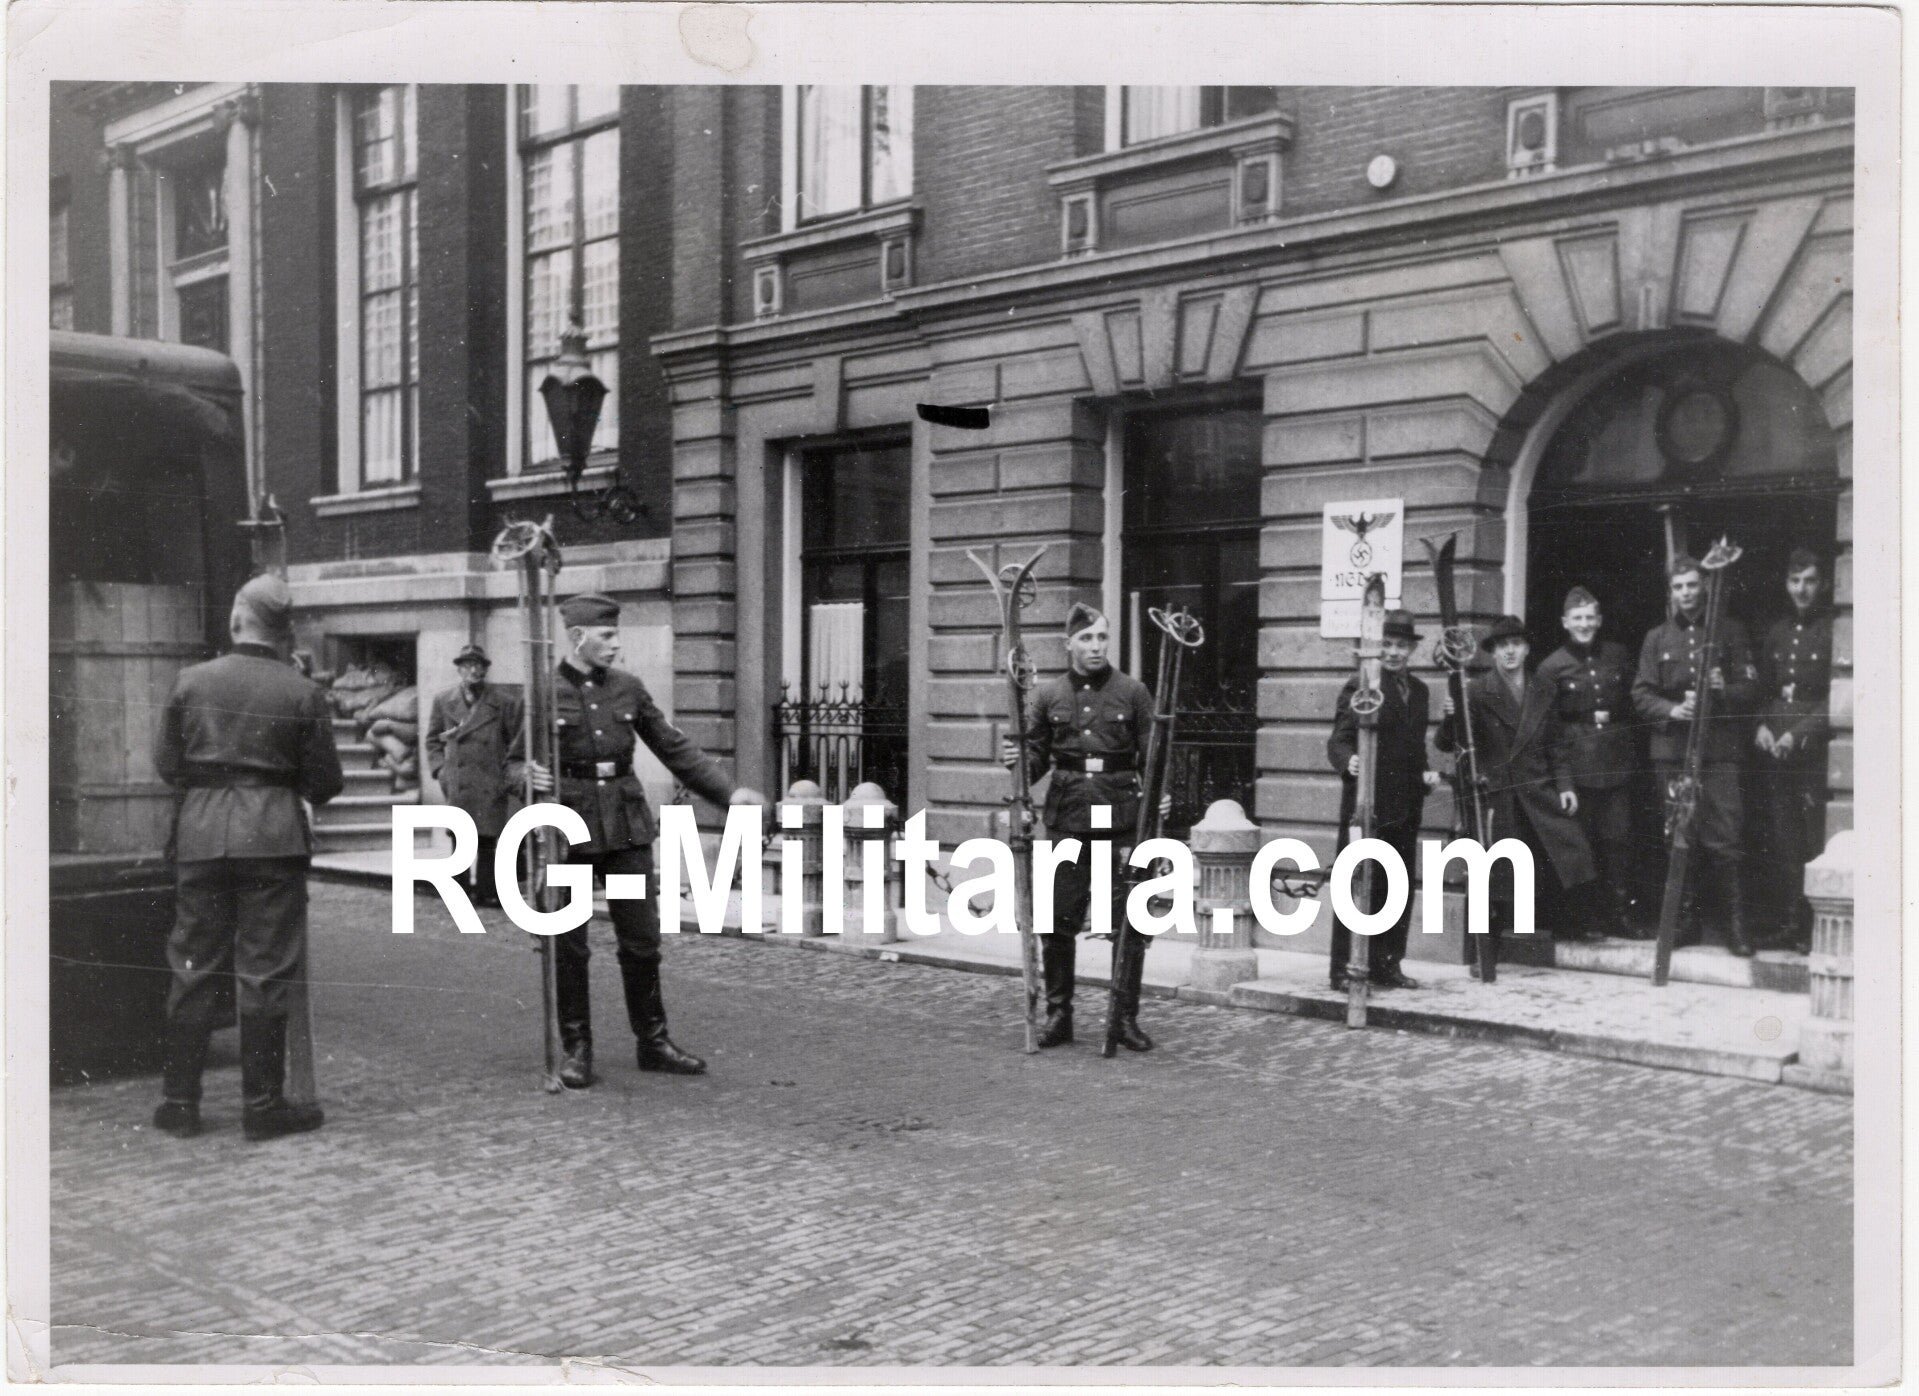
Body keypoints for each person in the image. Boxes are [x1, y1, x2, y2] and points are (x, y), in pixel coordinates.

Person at [520, 592, 768, 1089]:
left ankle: (652, 1042)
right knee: (570, 944)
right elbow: (511, 761)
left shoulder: (629, 689)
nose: (615, 645)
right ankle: (577, 1048)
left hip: (624, 831)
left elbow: (673, 747)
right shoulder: (544, 693)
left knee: (640, 940)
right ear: (577, 638)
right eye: (606, 636)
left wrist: (728, 793)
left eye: (616, 635)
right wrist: (523, 773)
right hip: (566, 831)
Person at [150, 574, 345, 1142]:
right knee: (265, 972)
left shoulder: (190, 681)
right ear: (282, 632)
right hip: (273, 838)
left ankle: (179, 1103)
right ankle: (262, 1107)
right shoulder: (301, 692)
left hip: (202, 834)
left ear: (237, 618)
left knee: (192, 965)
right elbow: (325, 782)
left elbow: (168, 765)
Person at [1000, 602, 1166, 1050]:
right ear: (1069, 643)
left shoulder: (1133, 693)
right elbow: (1034, 760)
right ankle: (1059, 1016)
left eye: (1102, 637)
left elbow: (1154, 756)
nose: (1096, 646)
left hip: (1120, 818)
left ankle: (1123, 1018)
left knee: (1128, 924)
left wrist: (1160, 795)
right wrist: (1018, 761)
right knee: (1056, 921)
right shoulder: (1048, 696)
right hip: (1069, 818)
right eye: (1087, 638)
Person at [1437, 616, 1602, 965]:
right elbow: (1448, 743)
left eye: (1516, 644)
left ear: (1526, 649)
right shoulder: (1476, 691)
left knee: (1565, 851)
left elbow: (1556, 743)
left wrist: (1565, 785)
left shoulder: (1543, 688)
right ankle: (1483, 953)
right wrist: (1451, 716)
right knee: (1494, 872)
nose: (1509, 651)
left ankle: (1556, 934)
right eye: (1501, 646)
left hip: (1537, 788)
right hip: (1497, 794)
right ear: (1494, 653)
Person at [1633, 555, 1759, 955]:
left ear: (1704, 586)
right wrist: (1672, 710)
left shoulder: (1730, 631)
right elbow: (1641, 694)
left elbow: (1752, 691)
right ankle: (1683, 921)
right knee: (1678, 835)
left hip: (1718, 750)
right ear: (1670, 592)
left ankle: (1734, 926)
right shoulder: (1656, 638)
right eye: (1678, 586)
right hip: (1673, 751)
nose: (1686, 593)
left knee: (1725, 836)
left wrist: (1723, 688)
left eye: (1692, 584)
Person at [1327, 609, 1441, 991]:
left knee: (1397, 886)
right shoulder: (1362, 683)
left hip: (1405, 805)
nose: (1393, 652)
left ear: (1411, 650)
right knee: (1357, 883)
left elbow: (1415, 748)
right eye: (1387, 645)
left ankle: (1387, 964)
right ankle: (1343, 968)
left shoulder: (1421, 691)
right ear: (1376, 648)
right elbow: (1338, 740)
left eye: (1401, 646)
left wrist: (1425, 773)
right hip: (1367, 803)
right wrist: (1349, 761)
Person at [1536, 587, 1642, 939]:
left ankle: (1619, 915)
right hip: (1578, 768)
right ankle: (1581, 919)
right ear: (1565, 623)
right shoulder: (1552, 667)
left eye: (1589, 618)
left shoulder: (1617, 655)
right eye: (1576, 619)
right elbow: (1551, 731)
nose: (1584, 625)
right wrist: (1563, 781)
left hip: (1616, 764)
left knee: (1618, 842)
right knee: (1580, 847)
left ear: (1599, 620)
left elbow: (1632, 705)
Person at [1754, 549, 1832, 953]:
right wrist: (1763, 724)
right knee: (1784, 841)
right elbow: (1764, 690)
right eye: (1795, 581)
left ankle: (1814, 930)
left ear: (1823, 584)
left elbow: (1835, 698)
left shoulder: (1834, 630)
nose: (1801, 589)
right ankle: (1791, 923)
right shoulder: (1777, 632)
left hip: (1811, 755)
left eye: (1809, 581)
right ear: (1786, 584)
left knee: (1811, 840)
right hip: (1776, 755)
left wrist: (1798, 733)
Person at [425, 644, 524, 908]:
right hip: (459, 782)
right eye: (468, 665)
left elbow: (516, 741)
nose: (474, 670)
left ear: (485, 669)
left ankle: (488, 892)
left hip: (492, 779)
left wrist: (509, 774)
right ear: (458, 669)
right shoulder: (443, 700)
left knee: (490, 838)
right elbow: (432, 740)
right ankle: (457, 891)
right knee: (460, 838)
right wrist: (441, 771)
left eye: (479, 665)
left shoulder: (504, 703)